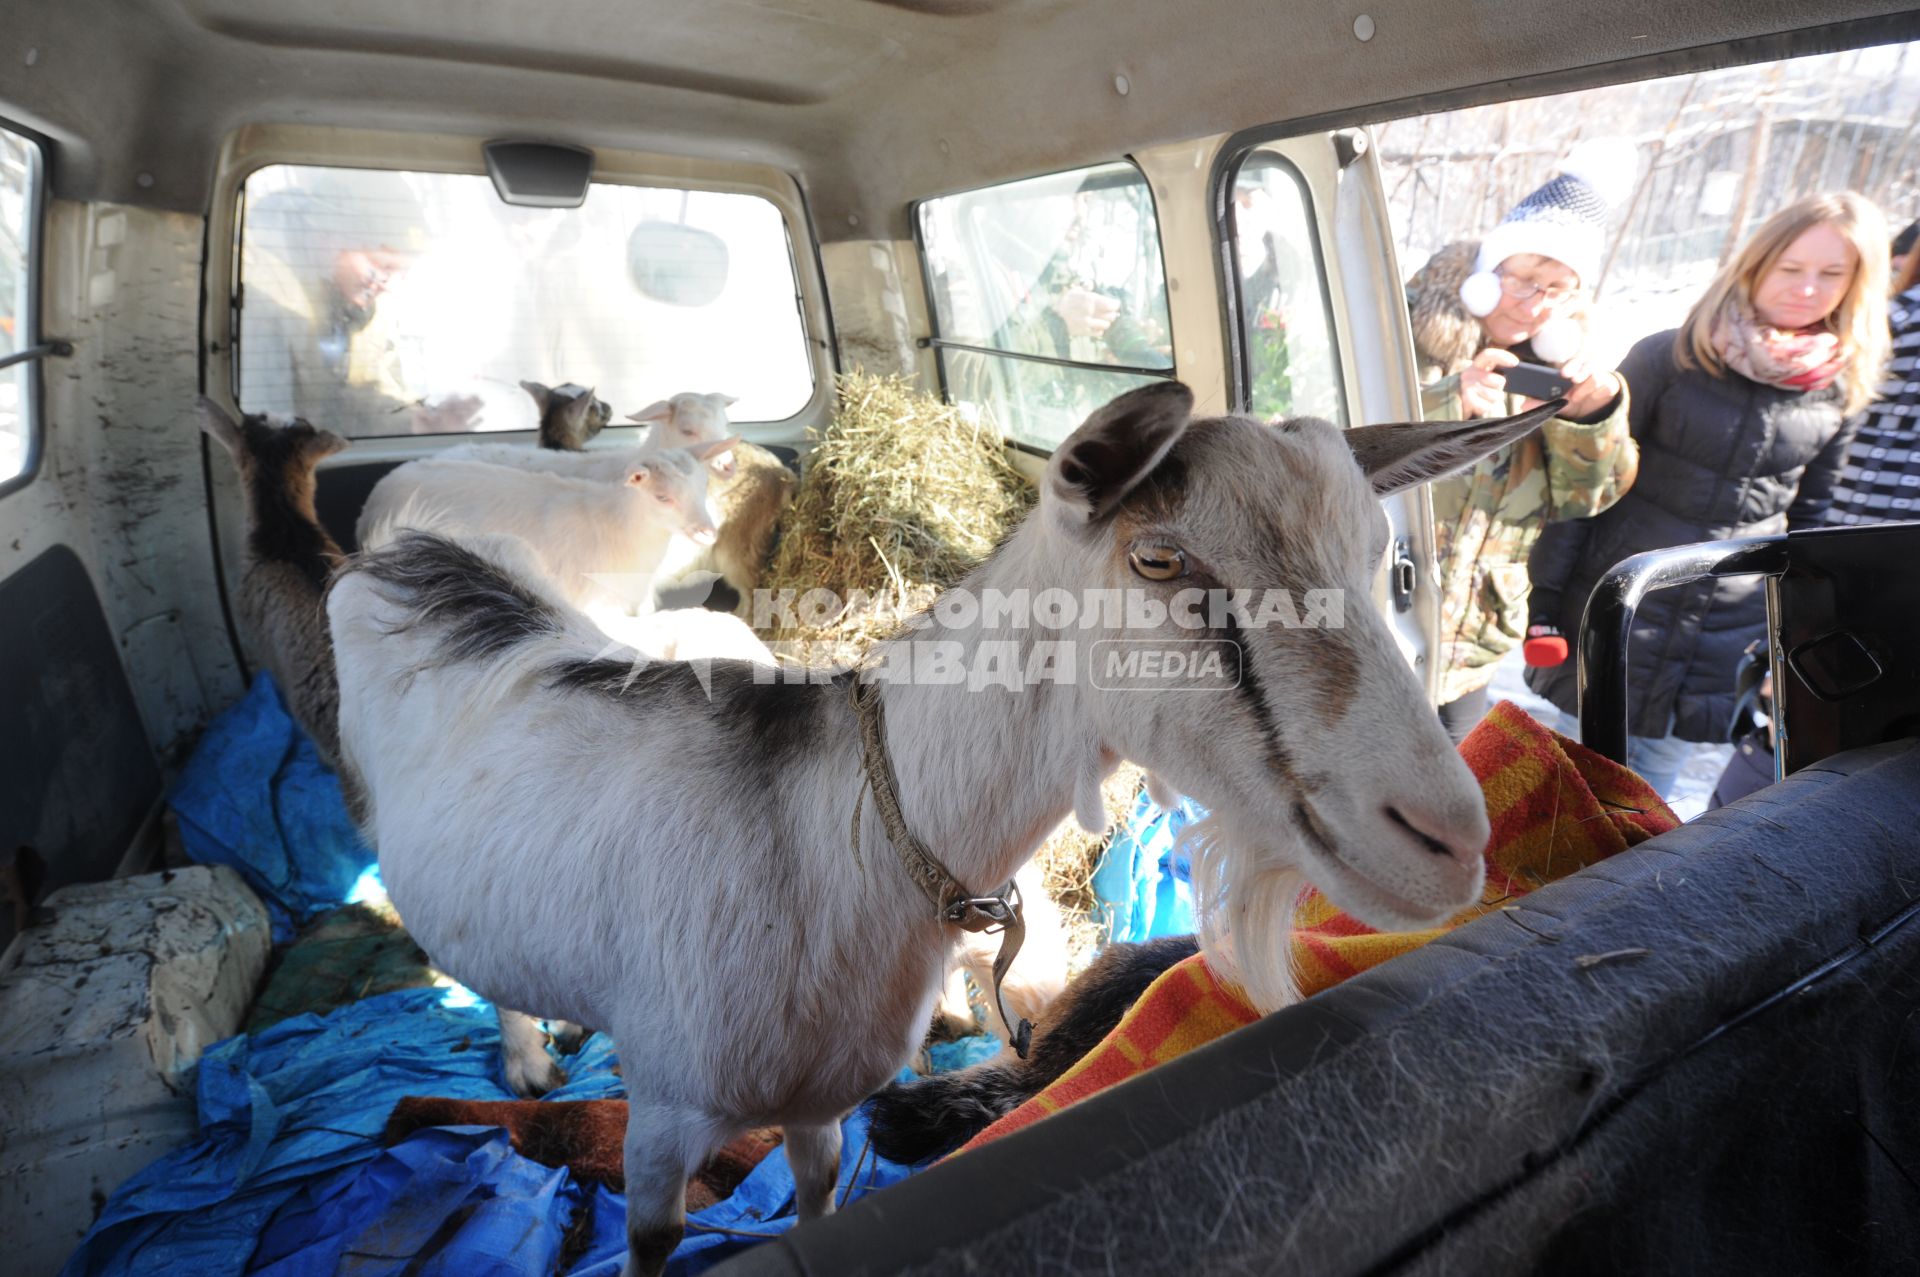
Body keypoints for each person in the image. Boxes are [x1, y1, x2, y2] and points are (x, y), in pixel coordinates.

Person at [1524, 191, 1891, 798]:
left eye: (1832, 274)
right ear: (1756, 264)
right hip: (1621, 610)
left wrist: (1794, 646)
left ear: (1857, 284)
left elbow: (1809, 524)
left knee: (1650, 809)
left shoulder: (1839, 387)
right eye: (1791, 267)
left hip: (1720, 639)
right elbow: (1584, 489)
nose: (1807, 288)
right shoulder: (1668, 355)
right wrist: (1547, 602)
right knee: (1567, 798)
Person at [1402, 140, 1641, 742]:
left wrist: (1590, 417)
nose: (1536, 306)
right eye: (1525, 279)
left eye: (1558, 289)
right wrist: (1445, 406)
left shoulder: (1569, 368)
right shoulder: (1398, 332)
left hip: (1472, 643)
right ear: (1485, 274)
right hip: (1381, 619)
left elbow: (1584, 501)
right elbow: (1329, 432)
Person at [240, 169, 477, 433]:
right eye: (383, 265)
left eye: (403, 271)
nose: (392, 286)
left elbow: (363, 394)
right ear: (328, 238)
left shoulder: (364, 304)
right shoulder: (261, 297)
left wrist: (416, 422)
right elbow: (268, 429)